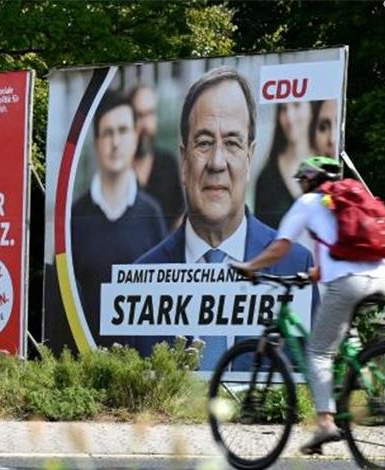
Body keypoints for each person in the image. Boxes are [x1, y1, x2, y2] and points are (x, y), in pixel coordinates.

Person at [131, 67, 314, 367]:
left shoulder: (296, 266)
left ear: (250, 157)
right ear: (183, 161)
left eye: (232, 142)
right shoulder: (141, 280)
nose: (217, 162)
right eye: (203, 142)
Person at [234, 156, 385, 455]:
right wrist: (310, 275)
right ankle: (367, 386)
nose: (301, 186)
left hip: (349, 282)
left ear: (308, 180)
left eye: (302, 181)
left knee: (318, 352)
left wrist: (251, 266)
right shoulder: (349, 200)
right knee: (345, 341)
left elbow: (281, 246)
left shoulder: (309, 203)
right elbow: (335, 255)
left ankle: (325, 423)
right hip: (383, 277)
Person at [70, 90, 166, 347]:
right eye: (108, 133)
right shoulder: (74, 217)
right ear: (96, 141)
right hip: (87, 365)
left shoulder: (152, 215)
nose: (115, 142)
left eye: (123, 130)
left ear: (136, 136)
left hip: (144, 370)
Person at [130, 84, 185, 231]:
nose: (145, 124)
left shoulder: (167, 164)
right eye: (139, 115)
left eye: (150, 114)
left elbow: (179, 217)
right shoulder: (119, 170)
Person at [254, 101, 312, 230]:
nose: (290, 117)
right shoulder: (266, 179)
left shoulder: (327, 165)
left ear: (310, 108)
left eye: (297, 105)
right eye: (283, 109)